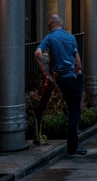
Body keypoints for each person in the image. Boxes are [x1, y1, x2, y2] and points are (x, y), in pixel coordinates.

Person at [34, 14, 86, 156]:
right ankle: (73, 147)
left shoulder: (50, 37)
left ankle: (72, 145)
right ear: (60, 24)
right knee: (75, 111)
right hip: (72, 77)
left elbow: (38, 53)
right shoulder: (71, 38)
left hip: (60, 78)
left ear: (51, 25)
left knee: (70, 109)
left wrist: (45, 72)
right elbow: (78, 64)